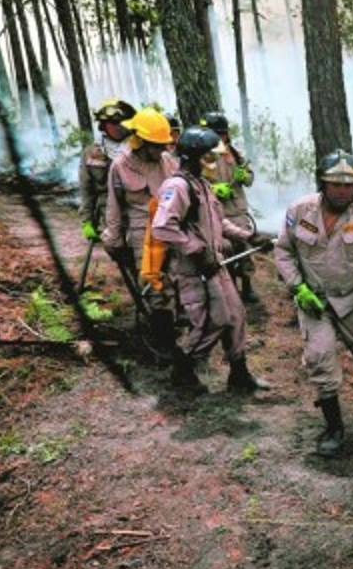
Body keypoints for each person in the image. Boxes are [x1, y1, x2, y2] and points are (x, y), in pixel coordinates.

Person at [273, 149, 353, 457]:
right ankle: (334, 427)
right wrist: (297, 287)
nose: (342, 191)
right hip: (313, 301)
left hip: (352, 299)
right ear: (322, 183)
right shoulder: (299, 210)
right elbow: (283, 251)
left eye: (349, 185)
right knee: (320, 359)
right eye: (335, 184)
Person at [151, 126, 271, 393]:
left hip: (215, 265)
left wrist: (250, 237)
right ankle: (183, 372)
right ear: (194, 157)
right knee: (211, 321)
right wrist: (196, 248)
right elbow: (162, 227)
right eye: (209, 157)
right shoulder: (177, 186)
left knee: (236, 316)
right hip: (194, 270)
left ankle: (239, 375)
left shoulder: (202, 185)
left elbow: (220, 222)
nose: (215, 162)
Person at [101, 107, 178, 277]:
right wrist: (114, 240)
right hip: (142, 237)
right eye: (158, 146)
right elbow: (114, 207)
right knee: (153, 289)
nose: (163, 150)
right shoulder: (120, 166)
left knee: (181, 284)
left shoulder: (167, 162)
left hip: (172, 230)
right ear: (141, 142)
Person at [200, 112, 259, 303]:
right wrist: (213, 189)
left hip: (238, 210)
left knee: (245, 250)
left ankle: (247, 286)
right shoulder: (200, 155)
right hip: (215, 212)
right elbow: (193, 182)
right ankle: (230, 288)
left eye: (219, 134)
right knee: (224, 251)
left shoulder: (234, 152)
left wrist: (244, 176)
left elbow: (249, 178)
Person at [79, 98, 135, 243]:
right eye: (114, 123)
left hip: (136, 210)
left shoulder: (138, 148)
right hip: (108, 213)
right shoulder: (91, 153)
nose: (119, 127)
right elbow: (86, 188)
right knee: (116, 250)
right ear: (103, 125)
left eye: (122, 121)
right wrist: (87, 221)